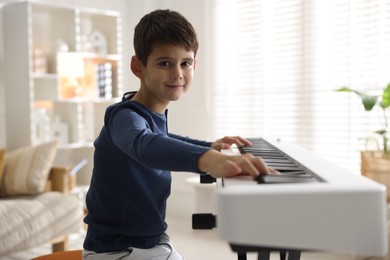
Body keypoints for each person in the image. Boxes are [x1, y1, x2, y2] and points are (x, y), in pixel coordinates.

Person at [82, 9, 274, 260]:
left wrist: (211, 146)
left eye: (185, 63)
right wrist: (209, 159)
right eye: (165, 63)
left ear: (195, 64)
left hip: (149, 241)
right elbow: (145, 145)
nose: (177, 73)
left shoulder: (151, 114)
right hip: (115, 250)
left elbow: (167, 140)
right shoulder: (124, 117)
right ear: (138, 66)